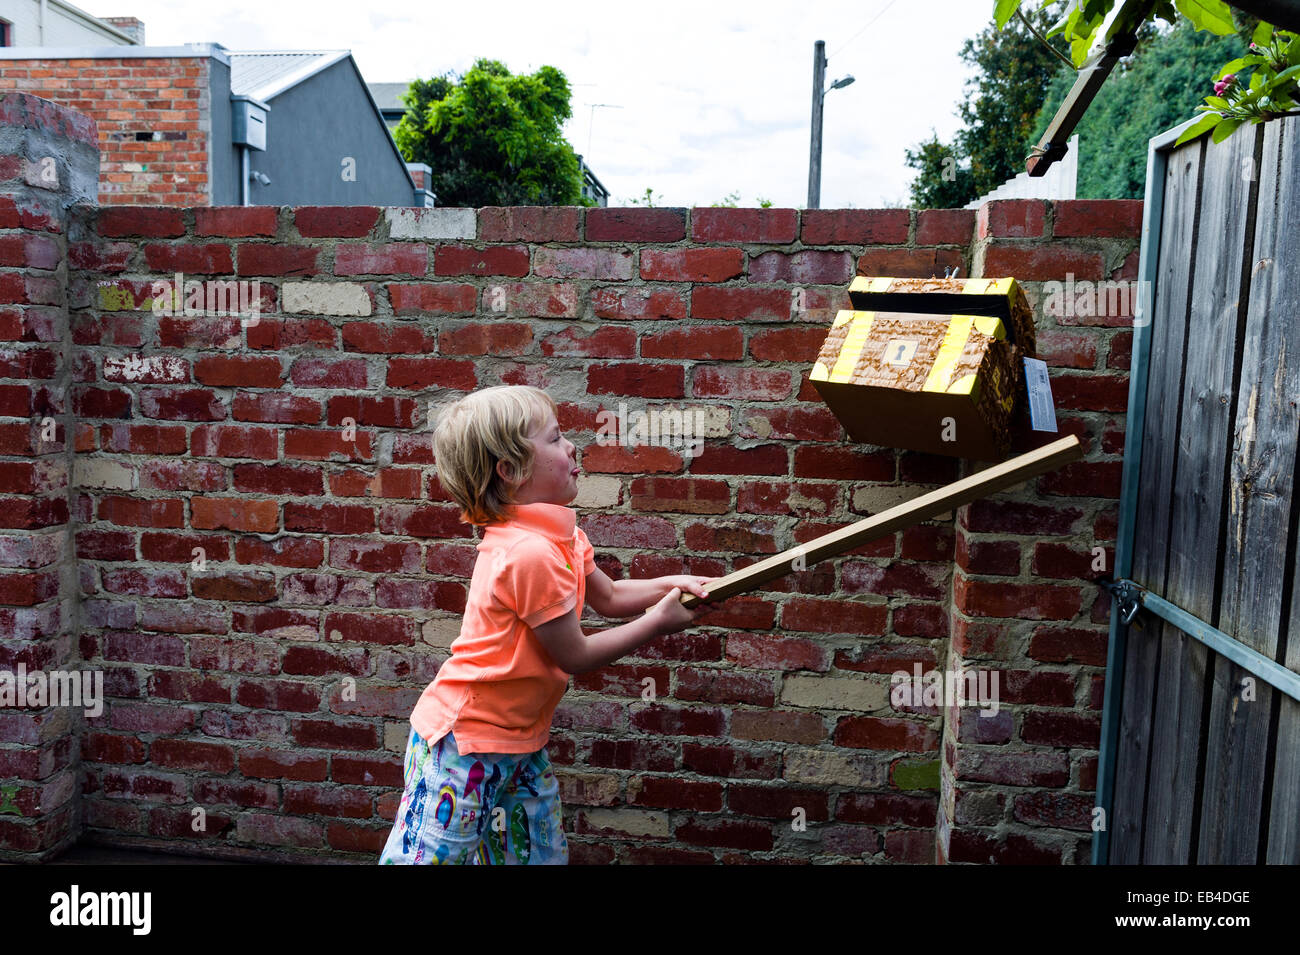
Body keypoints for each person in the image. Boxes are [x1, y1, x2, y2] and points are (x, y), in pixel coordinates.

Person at [379, 385, 715, 864]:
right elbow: (574, 655)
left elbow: (611, 596)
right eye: (555, 439)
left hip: (521, 743)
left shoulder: (561, 535)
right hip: (464, 746)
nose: (572, 446)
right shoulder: (527, 553)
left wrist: (671, 584)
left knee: (536, 857)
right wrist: (657, 624)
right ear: (511, 471)